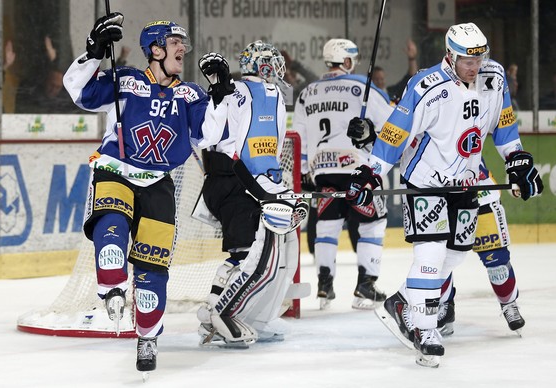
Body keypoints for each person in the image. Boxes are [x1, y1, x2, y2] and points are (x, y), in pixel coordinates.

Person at [346, 22, 543, 367]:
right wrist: (370, 173)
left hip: (466, 181)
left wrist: (517, 159)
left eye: (479, 59)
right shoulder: (425, 85)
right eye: (468, 60)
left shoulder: (493, 78)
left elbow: (505, 126)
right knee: (432, 251)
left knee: (455, 254)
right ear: (449, 55)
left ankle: (402, 302)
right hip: (426, 181)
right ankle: (425, 328)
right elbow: (396, 133)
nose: (475, 67)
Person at [63, 15, 230, 373]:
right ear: (155, 49)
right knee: (111, 237)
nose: (182, 48)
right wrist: (94, 51)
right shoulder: (127, 80)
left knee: (152, 274)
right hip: (116, 170)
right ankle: (111, 287)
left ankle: (148, 335)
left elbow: (210, 133)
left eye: (182, 43)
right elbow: (79, 91)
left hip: (158, 181)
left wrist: (220, 94)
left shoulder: (190, 94)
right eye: (174, 43)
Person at [195, 41, 309, 347]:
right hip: (240, 184)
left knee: (250, 252)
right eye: (274, 62)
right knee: (257, 255)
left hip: (229, 183)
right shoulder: (257, 93)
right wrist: (267, 190)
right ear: (265, 66)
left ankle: (231, 313)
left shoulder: (251, 92)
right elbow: (250, 151)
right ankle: (225, 315)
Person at [293, 38, 394, 310]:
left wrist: (303, 171)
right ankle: (365, 286)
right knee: (372, 224)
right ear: (347, 61)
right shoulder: (363, 87)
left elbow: (298, 137)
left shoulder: (307, 93)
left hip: (322, 171)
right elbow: (392, 125)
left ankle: (325, 285)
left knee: (326, 226)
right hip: (357, 169)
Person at [437, 159, 527, 337]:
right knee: (439, 260)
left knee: (497, 263)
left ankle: (509, 304)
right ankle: (444, 307)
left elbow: (504, 136)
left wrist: (518, 169)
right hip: (444, 196)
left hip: (481, 193)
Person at [372, 39, 418, 103]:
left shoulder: (392, 93)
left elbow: (411, 77)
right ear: (370, 80)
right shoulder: (366, 97)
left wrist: (412, 59)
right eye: (376, 79)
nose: (380, 82)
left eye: (382, 79)